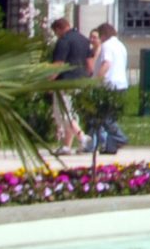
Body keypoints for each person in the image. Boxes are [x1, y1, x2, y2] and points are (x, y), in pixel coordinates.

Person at [46, 16, 90, 153]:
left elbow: (58, 64)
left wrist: (49, 82)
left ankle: (83, 137)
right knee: (72, 112)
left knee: (62, 113)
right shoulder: (83, 39)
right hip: (80, 80)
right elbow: (89, 63)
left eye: (56, 32)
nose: (56, 35)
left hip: (65, 81)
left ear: (59, 29)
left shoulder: (63, 41)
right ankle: (67, 145)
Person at [89, 22, 130, 155]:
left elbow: (106, 63)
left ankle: (120, 138)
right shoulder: (121, 45)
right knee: (112, 116)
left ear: (104, 34)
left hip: (109, 85)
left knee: (104, 116)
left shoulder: (107, 46)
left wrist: (97, 80)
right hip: (121, 83)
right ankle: (111, 147)